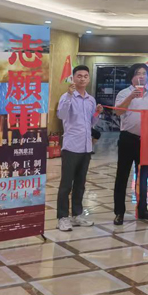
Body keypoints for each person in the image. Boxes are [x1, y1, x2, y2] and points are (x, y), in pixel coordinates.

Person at [56, 65, 103, 232]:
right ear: (73, 78)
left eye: (85, 76)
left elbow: (91, 122)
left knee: (80, 184)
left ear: (88, 79)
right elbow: (61, 115)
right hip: (71, 146)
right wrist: (69, 95)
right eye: (79, 76)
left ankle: (77, 214)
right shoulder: (66, 96)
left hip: (86, 147)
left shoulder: (91, 100)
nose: (82, 79)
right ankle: (62, 217)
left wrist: (97, 113)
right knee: (66, 184)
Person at [113, 63, 148, 225]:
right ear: (132, 77)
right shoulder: (124, 93)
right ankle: (119, 212)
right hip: (127, 139)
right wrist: (131, 97)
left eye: (144, 73)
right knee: (122, 176)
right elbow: (118, 111)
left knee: (143, 176)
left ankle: (143, 209)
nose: (141, 76)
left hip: (145, 140)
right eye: (138, 73)